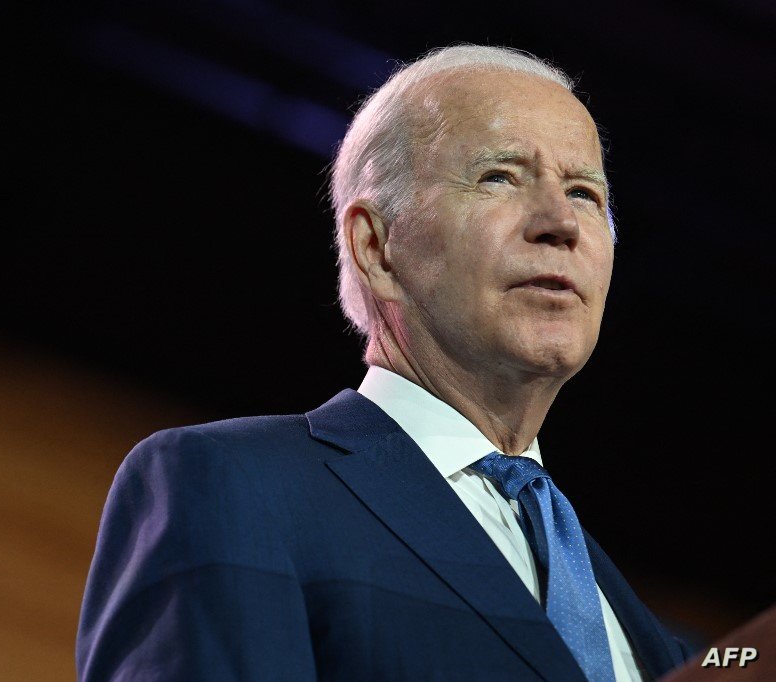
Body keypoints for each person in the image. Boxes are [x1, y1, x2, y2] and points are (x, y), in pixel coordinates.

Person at [76, 45, 692, 681]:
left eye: (585, 192)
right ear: (374, 245)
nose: (561, 223)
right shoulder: (235, 487)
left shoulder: (652, 637)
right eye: (499, 177)